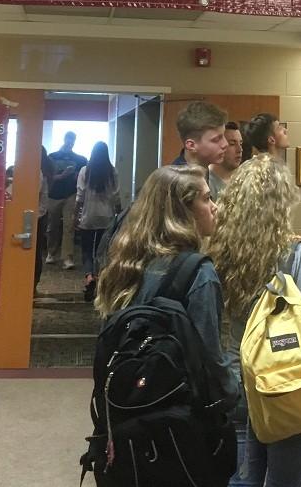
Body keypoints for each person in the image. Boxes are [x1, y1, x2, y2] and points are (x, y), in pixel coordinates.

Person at [207, 154, 301, 487]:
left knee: (241, 477)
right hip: (284, 382)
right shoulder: (294, 254)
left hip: (236, 378)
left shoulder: (216, 250)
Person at [94, 163, 237, 405]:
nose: (215, 207)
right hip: (177, 406)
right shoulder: (199, 272)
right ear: (183, 211)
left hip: (125, 399)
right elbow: (208, 357)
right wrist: (235, 394)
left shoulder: (126, 262)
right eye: (207, 199)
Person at [74, 141, 120, 302]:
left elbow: (80, 196)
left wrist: (75, 216)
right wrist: (119, 214)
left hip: (88, 216)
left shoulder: (85, 171)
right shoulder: (111, 171)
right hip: (106, 217)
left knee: (87, 250)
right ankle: (100, 279)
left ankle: (89, 277)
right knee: (102, 251)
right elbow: (116, 196)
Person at [46, 131, 87, 269]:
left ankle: (67, 258)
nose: (70, 142)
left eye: (72, 140)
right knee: (52, 226)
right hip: (53, 195)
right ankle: (51, 253)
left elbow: (84, 177)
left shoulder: (80, 159)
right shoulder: (52, 157)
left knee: (69, 227)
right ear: (64, 139)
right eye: (68, 139)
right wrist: (62, 176)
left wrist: (76, 177)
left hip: (71, 195)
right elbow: (47, 177)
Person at [172, 101, 229, 199]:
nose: (225, 144)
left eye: (223, 136)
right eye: (216, 139)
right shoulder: (179, 184)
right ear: (191, 145)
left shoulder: (202, 172)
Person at [34, 147, 55, 295]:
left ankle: (31, 285)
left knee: (33, 253)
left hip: (34, 216)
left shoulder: (36, 173)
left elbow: (33, 194)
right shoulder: (46, 170)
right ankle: (33, 284)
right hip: (41, 214)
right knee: (36, 253)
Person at [210, 121, 244, 190]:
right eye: (232, 144)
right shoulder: (205, 184)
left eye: (240, 144)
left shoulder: (243, 179)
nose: (240, 150)